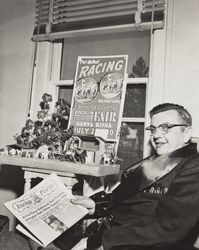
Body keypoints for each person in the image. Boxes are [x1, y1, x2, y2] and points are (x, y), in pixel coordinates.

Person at [70, 103, 199, 250]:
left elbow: (168, 227)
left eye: (165, 128)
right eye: (153, 129)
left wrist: (100, 241)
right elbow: (129, 197)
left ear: (187, 133)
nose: (156, 135)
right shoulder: (158, 159)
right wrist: (95, 205)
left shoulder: (194, 167)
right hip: (115, 231)